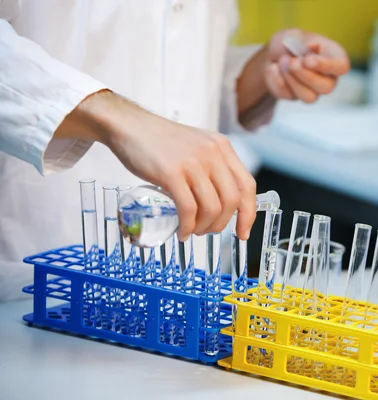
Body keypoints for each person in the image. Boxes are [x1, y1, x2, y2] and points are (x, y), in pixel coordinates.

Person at [0, 1, 350, 300]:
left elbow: (184, 85)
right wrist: (120, 119)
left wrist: (262, 73)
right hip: (43, 263)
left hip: (191, 279)